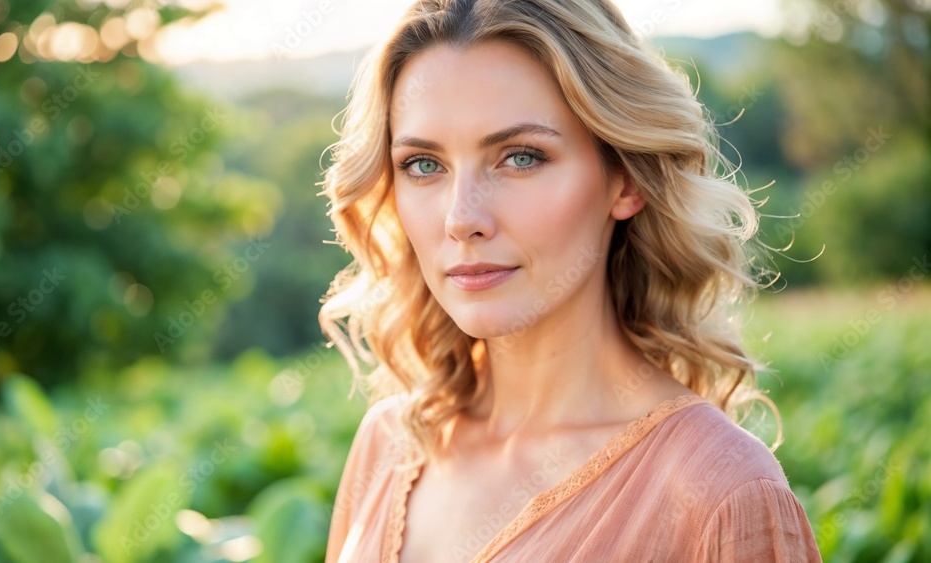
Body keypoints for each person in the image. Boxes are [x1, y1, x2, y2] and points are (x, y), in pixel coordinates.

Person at [319, 0, 822, 561]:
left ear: (626, 179)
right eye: (423, 165)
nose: (461, 219)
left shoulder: (719, 493)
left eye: (521, 158)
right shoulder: (388, 443)